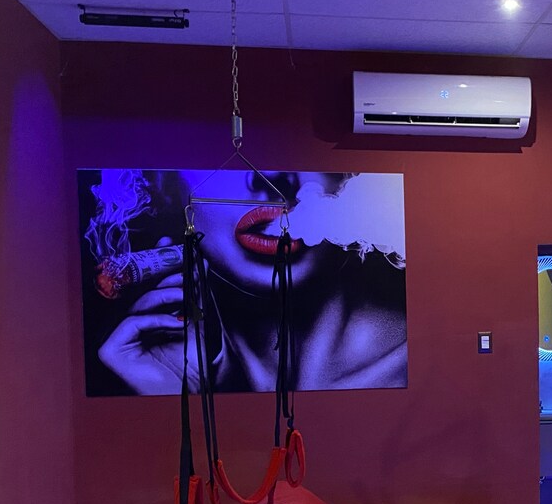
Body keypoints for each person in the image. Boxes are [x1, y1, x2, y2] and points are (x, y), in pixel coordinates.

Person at [83, 169, 407, 396]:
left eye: (295, 150)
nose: (269, 175)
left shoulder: (414, 368)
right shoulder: (180, 369)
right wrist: (171, 394)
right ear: (166, 188)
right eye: (216, 152)